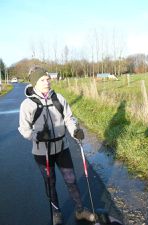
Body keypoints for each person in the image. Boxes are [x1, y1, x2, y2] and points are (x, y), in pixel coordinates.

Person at [18, 66, 96, 225]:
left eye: (47, 79)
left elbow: (69, 118)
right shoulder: (27, 105)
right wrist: (37, 135)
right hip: (42, 152)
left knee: (71, 180)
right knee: (50, 183)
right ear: (34, 83)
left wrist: (75, 131)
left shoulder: (59, 98)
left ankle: (80, 210)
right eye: (42, 80)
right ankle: (56, 213)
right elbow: (24, 129)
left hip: (62, 148)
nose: (47, 82)